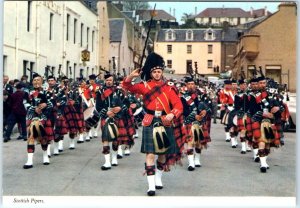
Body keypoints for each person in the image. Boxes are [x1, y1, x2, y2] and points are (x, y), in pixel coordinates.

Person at [123, 52, 183, 196]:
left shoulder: (169, 88)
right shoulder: (144, 86)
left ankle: (158, 178)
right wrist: (132, 76)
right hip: (150, 120)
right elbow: (126, 86)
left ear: (162, 72)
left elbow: (178, 106)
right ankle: (151, 186)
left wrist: (172, 114)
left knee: (162, 154)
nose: (157, 74)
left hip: (165, 121)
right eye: (154, 72)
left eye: (159, 71)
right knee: (150, 154)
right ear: (151, 72)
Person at [23, 73, 54, 169]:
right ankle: (29, 161)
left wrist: (44, 106)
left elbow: (51, 104)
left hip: (44, 117)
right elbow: (25, 103)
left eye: (38, 80)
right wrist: (33, 108)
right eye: (34, 80)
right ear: (32, 82)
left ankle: (45, 156)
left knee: (43, 138)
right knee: (31, 137)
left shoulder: (47, 92)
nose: (36, 82)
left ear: (42, 82)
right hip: (31, 117)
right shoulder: (27, 92)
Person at [180, 77, 211, 171]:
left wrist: (205, 111)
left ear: (195, 85)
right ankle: (191, 163)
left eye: (192, 84)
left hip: (200, 122)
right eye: (189, 84)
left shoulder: (202, 96)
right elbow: (183, 110)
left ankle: (197, 159)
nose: (191, 86)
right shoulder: (183, 97)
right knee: (190, 142)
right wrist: (194, 116)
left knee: (198, 143)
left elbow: (209, 106)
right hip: (190, 121)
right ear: (186, 86)